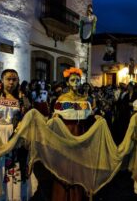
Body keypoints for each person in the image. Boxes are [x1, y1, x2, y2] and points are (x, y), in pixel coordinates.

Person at [0, 69, 33, 201]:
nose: (11, 82)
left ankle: (14, 197)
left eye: (14, 79)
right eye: (8, 79)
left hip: (16, 137)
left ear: (18, 81)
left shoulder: (23, 99)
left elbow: (29, 119)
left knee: (14, 166)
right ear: (2, 80)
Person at [50, 67, 94, 201]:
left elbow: (89, 116)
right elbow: (56, 117)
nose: (76, 82)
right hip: (66, 133)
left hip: (81, 133)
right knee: (65, 165)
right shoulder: (62, 99)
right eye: (72, 80)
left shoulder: (84, 99)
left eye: (78, 80)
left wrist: (96, 118)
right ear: (68, 82)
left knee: (79, 165)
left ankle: (78, 195)